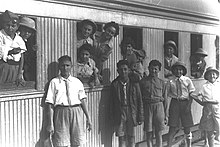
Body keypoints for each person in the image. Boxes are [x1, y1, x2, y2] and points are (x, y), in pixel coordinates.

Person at [45, 55, 92, 147]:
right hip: (61, 112)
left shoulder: (77, 82)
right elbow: (50, 104)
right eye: (62, 65)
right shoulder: (54, 82)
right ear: (59, 67)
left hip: (76, 111)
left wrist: (88, 118)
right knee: (62, 143)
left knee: (77, 142)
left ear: (71, 66)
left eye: (67, 65)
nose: (65, 68)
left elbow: (83, 101)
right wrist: (50, 123)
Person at [109, 60, 144, 147]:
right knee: (121, 137)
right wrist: (112, 116)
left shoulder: (134, 83)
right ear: (118, 71)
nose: (123, 72)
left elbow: (139, 100)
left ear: (129, 70)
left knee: (131, 136)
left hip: (131, 110)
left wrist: (140, 115)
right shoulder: (115, 84)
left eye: (125, 69)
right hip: (120, 111)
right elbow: (112, 102)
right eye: (121, 70)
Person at [139, 60, 168, 147]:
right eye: (152, 69)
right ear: (148, 68)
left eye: (156, 69)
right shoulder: (143, 82)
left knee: (159, 132)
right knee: (149, 132)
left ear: (159, 70)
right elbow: (140, 98)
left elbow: (165, 100)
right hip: (147, 107)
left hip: (159, 108)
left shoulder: (162, 83)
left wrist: (166, 115)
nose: (153, 71)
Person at [167, 61, 195, 147]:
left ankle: (189, 145)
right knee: (172, 126)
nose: (178, 71)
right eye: (176, 69)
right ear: (173, 71)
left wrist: (189, 106)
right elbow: (167, 93)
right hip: (175, 103)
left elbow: (191, 94)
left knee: (187, 127)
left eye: (180, 70)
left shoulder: (187, 80)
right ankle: (169, 145)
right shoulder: (170, 81)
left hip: (185, 103)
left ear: (183, 71)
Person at [191, 67, 220, 147]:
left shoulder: (218, 85)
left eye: (214, 74)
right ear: (207, 76)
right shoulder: (205, 86)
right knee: (209, 129)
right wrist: (194, 96)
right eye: (210, 74)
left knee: (218, 125)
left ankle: (217, 135)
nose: (212, 76)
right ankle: (211, 144)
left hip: (217, 107)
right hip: (208, 108)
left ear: (217, 75)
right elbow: (199, 95)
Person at [0, 10, 27, 85]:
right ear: (3, 25)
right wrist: (11, 52)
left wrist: (19, 74)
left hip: (16, 68)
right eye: (7, 25)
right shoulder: (1, 36)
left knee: (12, 86)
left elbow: (22, 57)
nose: (10, 28)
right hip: (3, 66)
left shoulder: (19, 39)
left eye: (13, 26)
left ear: (17, 27)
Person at [18, 16, 37, 81]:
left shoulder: (28, 43)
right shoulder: (15, 41)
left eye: (29, 32)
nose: (27, 33)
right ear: (19, 29)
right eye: (24, 30)